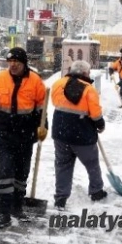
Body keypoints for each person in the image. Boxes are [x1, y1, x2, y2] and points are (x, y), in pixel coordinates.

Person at [0, 47, 47, 229]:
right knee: (6, 172)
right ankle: (4, 213)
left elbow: (41, 108)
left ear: (24, 63)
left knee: (21, 174)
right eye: (10, 62)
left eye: (16, 62)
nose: (13, 65)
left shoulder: (35, 81)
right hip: (4, 134)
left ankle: (17, 207)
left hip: (26, 136)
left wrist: (43, 127)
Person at [51, 60, 107, 211]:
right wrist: (100, 125)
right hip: (82, 135)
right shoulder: (89, 89)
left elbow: (55, 102)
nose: (89, 75)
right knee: (92, 164)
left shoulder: (58, 84)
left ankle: (60, 197)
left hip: (60, 133)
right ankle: (96, 191)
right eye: (88, 73)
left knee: (62, 165)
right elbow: (95, 113)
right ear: (83, 73)